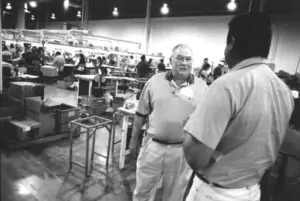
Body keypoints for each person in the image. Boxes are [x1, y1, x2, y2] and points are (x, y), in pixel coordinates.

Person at [183, 12, 294, 201]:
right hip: (250, 191)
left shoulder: (227, 85)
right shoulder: (284, 91)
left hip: (215, 193)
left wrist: (190, 130)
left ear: (232, 42)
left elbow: (196, 158)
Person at [129, 44, 208, 201]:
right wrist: (133, 139)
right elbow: (140, 113)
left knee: (174, 195)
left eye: (188, 59)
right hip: (153, 147)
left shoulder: (202, 88)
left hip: (182, 150)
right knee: (143, 191)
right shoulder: (154, 81)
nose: (184, 63)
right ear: (171, 61)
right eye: (179, 58)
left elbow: (206, 122)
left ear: (193, 62)